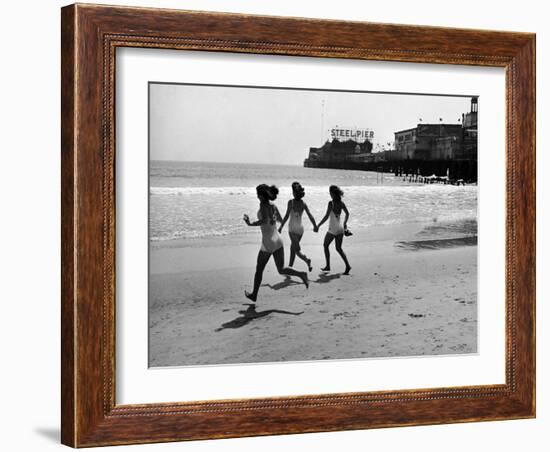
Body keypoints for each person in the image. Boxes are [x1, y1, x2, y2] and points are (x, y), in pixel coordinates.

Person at [243, 184, 309, 302]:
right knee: (281, 269)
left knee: (259, 270)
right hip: (278, 240)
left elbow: (264, 220)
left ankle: (254, 295)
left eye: (258, 194)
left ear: (262, 195)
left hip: (268, 242)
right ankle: (301, 274)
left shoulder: (263, 205)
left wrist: (250, 223)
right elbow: (280, 219)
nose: (257, 196)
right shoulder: (273, 206)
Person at [278, 182, 317, 271]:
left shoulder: (290, 202)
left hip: (292, 229)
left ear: (294, 193)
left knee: (297, 250)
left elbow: (287, 215)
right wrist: (315, 225)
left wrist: (281, 227)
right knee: (293, 248)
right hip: (300, 229)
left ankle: (307, 260)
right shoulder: (303, 203)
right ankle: (290, 267)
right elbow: (310, 215)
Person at [315, 185, 352, 274]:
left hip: (333, 229)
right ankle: (347, 266)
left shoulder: (331, 203)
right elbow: (347, 214)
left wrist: (318, 225)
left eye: (330, 193)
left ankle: (328, 265)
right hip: (340, 229)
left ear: (332, 193)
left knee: (325, 245)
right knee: (339, 248)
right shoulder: (341, 203)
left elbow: (326, 216)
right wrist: (345, 224)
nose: (329, 194)